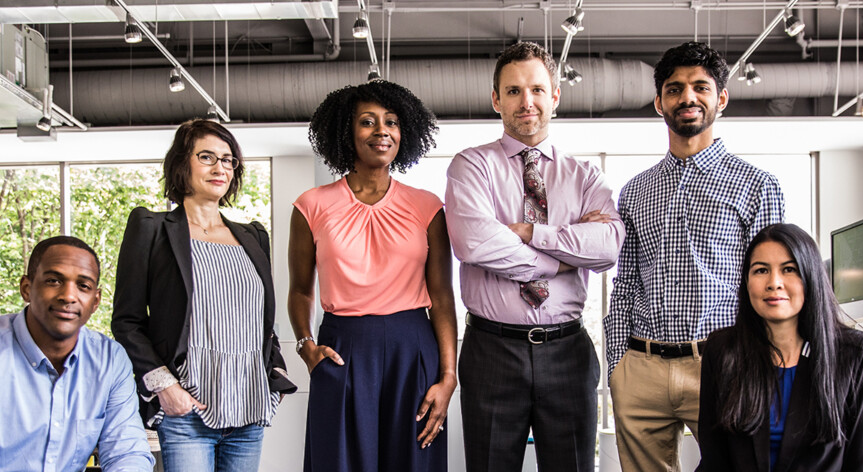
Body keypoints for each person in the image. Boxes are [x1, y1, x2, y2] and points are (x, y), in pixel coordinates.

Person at [605, 41, 786, 471]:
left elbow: (771, 288)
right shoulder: (635, 191)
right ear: (659, 102)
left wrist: (764, 366)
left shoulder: (757, 186)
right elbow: (626, 280)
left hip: (723, 364)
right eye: (675, 89)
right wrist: (619, 364)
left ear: (720, 98)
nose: (687, 97)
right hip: (641, 368)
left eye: (700, 87)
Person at [443, 41, 624, 472]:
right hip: (491, 351)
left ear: (555, 96)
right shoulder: (471, 167)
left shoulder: (585, 176)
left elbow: (608, 245)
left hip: (568, 350)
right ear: (496, 100)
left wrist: (529, 232)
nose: (527, 102)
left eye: (538, 90)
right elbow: (474, 243)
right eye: (513, 91)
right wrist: (565, 257)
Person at [288, 80, 457, 472]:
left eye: (392, 122)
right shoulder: (311, 206)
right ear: (346, 132)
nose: (382, 130)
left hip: (412, 348)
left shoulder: (427, 206)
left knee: (413, 461)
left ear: (404, 132)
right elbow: (299, 289)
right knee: (340, 462)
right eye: (367, 121)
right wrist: (305, 346)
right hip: (342, 348)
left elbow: (443, 297)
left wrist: (448, 377)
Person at [111, 119, 297, 472]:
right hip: (187, 409)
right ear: (183, 163)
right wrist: (164, 386)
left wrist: (273, 372)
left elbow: (261, 320)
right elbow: (127, 322)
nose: (220, 168)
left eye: (228, 160)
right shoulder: (151, 229)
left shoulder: (254, 236)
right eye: (207, 157)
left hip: (249, 405)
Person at [0, 236, 154, 472]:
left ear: (95, 301)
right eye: (53, 281)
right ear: (26, 288)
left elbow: (127, 454)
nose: (68, 295)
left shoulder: (110, 361)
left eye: (83, 285)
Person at [696, 223, 863, 472]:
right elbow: (714, 461)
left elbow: (860, 464)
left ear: (810, 277)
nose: (774, 283)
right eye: (761, 270)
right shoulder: (723, 350)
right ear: (747, 282)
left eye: (789, 269)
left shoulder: (853, 353)